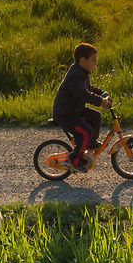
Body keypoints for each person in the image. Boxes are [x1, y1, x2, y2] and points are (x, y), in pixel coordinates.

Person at [52, 41, 110, 172]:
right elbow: (82, 94)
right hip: (66, 114)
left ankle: (90, 143)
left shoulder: (82, 73)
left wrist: (102, 94)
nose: (95, 64)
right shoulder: (74, 75)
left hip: (76, 110)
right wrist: (100, 101)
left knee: (96, 116)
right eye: (93, 60)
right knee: (85, 132)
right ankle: (74, 160)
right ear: (83, 60)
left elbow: (89, 89)